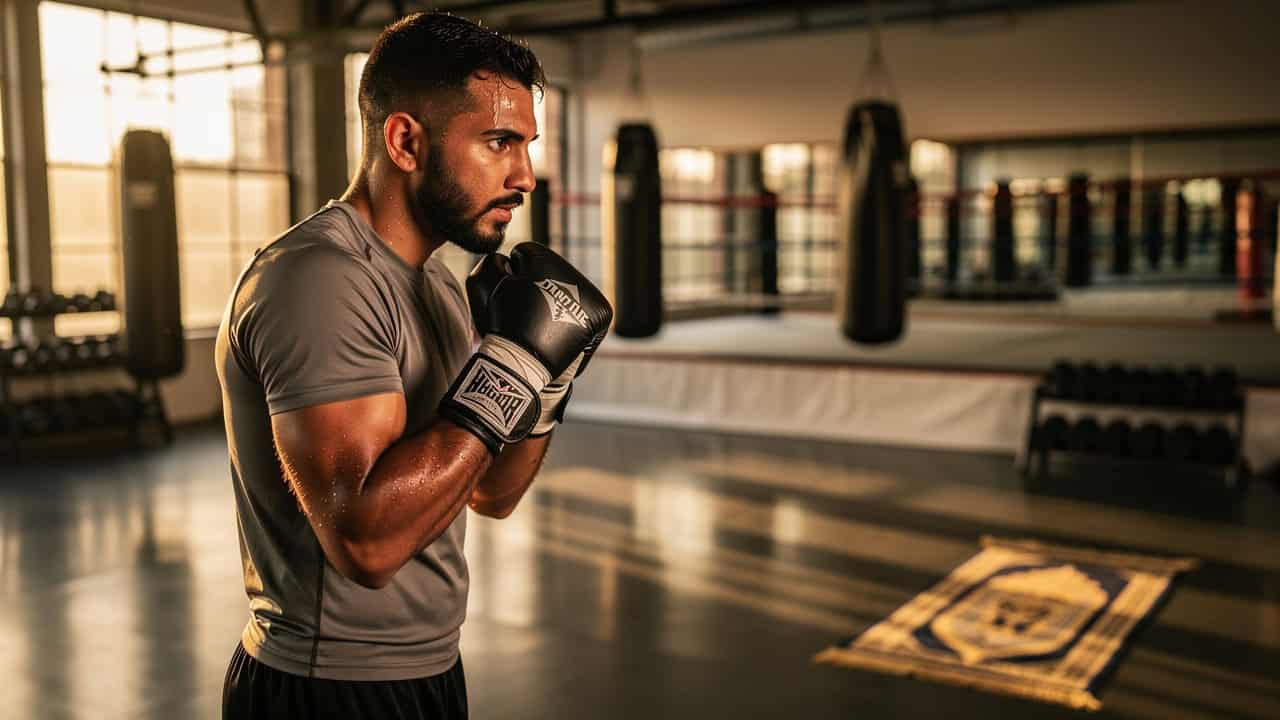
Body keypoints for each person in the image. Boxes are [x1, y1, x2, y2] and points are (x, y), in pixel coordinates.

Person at [216, 12, 611, 719]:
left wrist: (547, 380)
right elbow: (366, 543)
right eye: (499, 143)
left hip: (429, 668)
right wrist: (512, 369)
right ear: (405, 141)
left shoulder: (436, 285)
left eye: (527, 146)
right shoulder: (319, 281)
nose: (524, 175)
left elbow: (491, 492)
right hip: (325, 688)